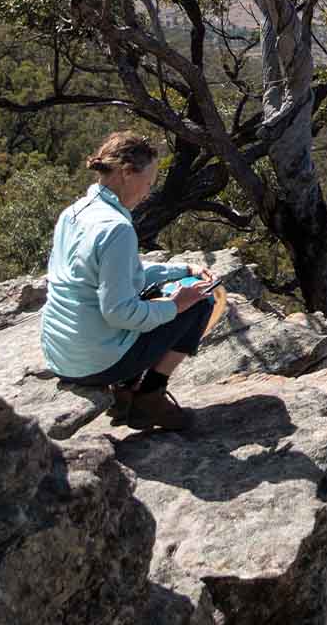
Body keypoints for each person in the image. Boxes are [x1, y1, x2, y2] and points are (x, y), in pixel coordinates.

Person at [39, 131, 214, 431]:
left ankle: (124, 393)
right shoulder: (116, 228)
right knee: (200, 303)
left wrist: (182, 269)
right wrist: (175, 305)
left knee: (164, 293)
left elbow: (118, 273)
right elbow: (119, 313)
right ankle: (149, 395)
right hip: (95, 364)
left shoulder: (73, 213)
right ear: (127, 173)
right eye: (147, 183)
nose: (148, 192)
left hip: (59, 356)